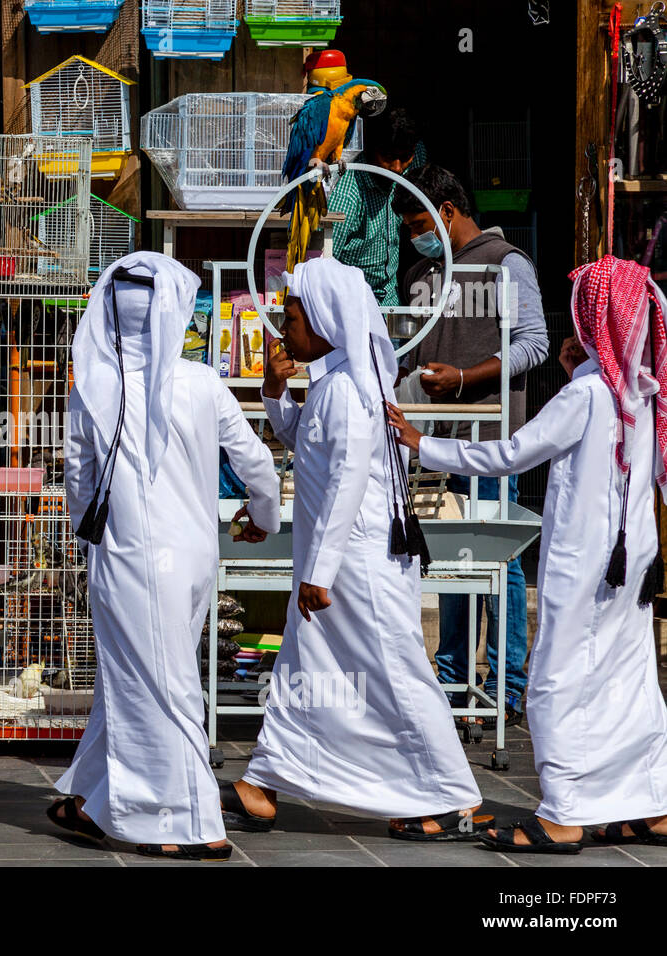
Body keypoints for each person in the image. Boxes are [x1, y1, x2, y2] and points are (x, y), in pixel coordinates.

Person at [386, 255, 667, 854]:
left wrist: (422, 443)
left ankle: (565, 812)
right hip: (634, 558)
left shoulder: (590, 394)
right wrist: (580, 367)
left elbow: (509, 454)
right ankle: (647, 802)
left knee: (557, 681)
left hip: (587, 562)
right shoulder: (643, 391)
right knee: (626, 674)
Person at [226, 258, 490, 841]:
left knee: (395, 672)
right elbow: (303, 438)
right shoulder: (332, 383)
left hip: (356, 565)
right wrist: (275, 392)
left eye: (292, 316)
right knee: (307, 669)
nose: (284, 328)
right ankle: (267, 779)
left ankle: (448, 795)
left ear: (322, 319)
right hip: (333, 564)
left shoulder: (349, 390)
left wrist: (319, 573)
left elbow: (346, 480)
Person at [52, 252, 281, 861]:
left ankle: (189, 823)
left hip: (130, 559)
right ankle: (88, 797)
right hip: (196, 559)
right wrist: (262, 516)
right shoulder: (204, 383)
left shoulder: (92, 388)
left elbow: (78, 479)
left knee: (163, 684)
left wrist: (89, 535)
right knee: (134, 677)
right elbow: (256, 462)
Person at [392, 165, 549, 725]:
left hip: (490, 437)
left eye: (419, 223)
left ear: (448, 213)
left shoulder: (506, 264)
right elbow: (406, 345)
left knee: (497, 558)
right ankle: (455, 679)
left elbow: (535, 345)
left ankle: (507, 688)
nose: (416, 235)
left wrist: (465, 377)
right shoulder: (422, 271)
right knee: (451, 557)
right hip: (434, 440)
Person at [329, 107, 427, 306]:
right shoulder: (347, 195)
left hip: (390, 300)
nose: (398, 169)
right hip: (351, 303)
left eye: (405, 158)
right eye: (389, 158)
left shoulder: (413, 161)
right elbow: (325, 266)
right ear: (372, 150)